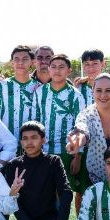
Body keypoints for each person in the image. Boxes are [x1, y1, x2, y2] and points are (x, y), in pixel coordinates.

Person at [31, 54, 88, 211]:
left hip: (66, 152)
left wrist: (77, 156)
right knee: (44, 191)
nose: (57, 70)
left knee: (64, 193)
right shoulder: (40, 92)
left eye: (61, 67)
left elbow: (80, 126)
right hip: (44, 151)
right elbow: (35, 122)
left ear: (69, 70)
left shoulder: (75, 95)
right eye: (53, 67)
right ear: (49, 69)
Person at [0, 45, 41, 144]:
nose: (20, 62)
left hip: (31, 142)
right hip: (7, 141)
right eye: (16, 59)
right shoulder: (3, 85)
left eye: (25, 59)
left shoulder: (38, 87)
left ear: (32, 62)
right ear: (12, 63)